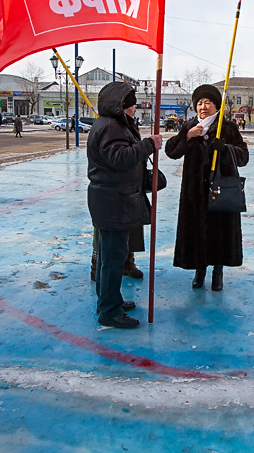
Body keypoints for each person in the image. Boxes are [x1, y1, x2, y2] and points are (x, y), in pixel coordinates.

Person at [87, 82, 162, 329]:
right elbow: (119, 158)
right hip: (113, 202)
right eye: (130, 105)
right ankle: (109, 311)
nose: (134, 109)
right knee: (113, 258)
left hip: (112, 200)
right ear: (120, 106)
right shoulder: (110, 127)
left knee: (112, 256)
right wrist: (149, 144)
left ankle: (109, 301)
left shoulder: (112, 124)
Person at [165, 84, 249, 291]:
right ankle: (199, 270)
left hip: (219, 190)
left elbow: (243, 156)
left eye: (208, 102)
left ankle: (218, 271)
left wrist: (226, 149)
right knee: (197, 232)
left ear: (216, 105)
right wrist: (187, 136)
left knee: (219, 231)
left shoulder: (226, 127)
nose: (203, 106)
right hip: (194, 192)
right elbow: (171, 151)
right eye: (200, 103)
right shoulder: (190, 125)